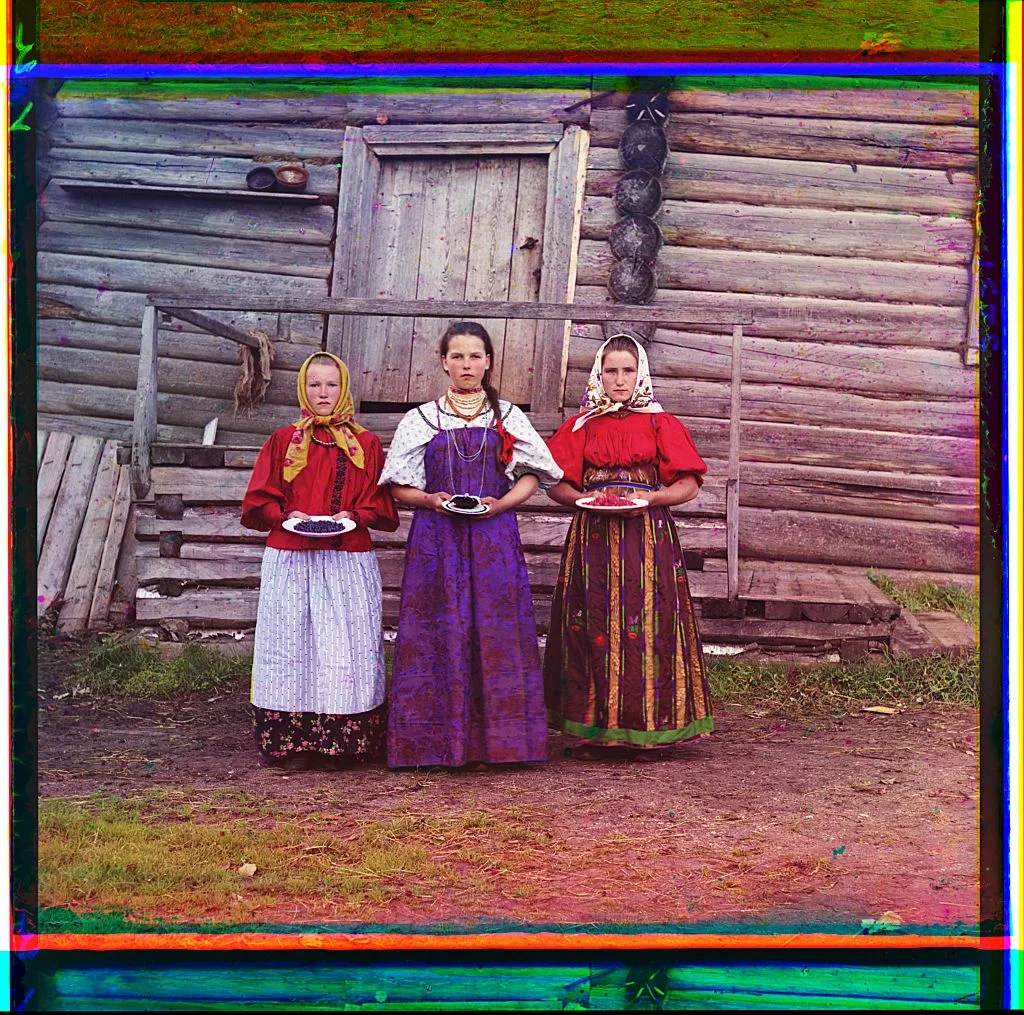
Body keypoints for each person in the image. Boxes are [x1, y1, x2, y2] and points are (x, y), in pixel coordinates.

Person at [380, 321, 563, 769]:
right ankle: (434, 744)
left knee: (495, 630)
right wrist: (430, 500)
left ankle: (500, 745)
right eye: (457, 356)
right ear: (443, 362)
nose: (467, 364)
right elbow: (398, 486)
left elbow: (534, 476)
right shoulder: (420, 419)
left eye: (475, 356)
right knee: (438, 628)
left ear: (489, 361)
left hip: (493, 540)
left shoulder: (508, 418)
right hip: (436, 541)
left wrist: (499, 506)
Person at [543, 332, 713, 756]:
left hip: (646, 537)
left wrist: (651, 498)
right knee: (593, 621)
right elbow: (555, 484)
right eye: (612, 371)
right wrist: (585, 499)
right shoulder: (580, 426)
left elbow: (689, 484)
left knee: (650, 623)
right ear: (599, 374)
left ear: (641, 374)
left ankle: (652, 724)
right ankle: (592, 729)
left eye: (628, 370)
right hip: (593, 538)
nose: (619, 380)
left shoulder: (660, 423)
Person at [241, 351, 398, 771]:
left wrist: (354, 515)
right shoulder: (282, 440)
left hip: (346, 561)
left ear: (343, 388)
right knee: (290, 646)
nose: (323, 393)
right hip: (291, 560)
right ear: (303, 390)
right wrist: (285, 515)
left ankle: (341, 743)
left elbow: (380, 505)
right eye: (314, 385)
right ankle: (292, 744)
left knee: (343, 646)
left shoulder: (365, 444)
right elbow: (259, 499)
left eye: (331, 384)